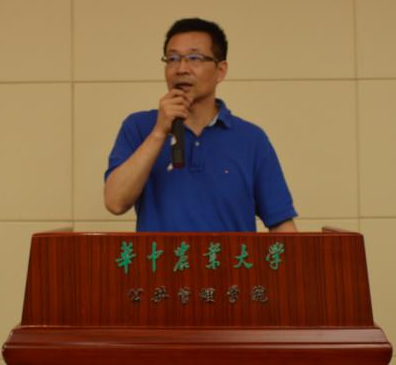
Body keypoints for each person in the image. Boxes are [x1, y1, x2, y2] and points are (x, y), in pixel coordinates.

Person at [104, 18, 298, 233]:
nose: (181, 69)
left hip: (231, 257)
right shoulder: (139, 127)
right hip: (160, 256)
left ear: (220, 70)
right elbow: (115, 202)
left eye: (194, 58)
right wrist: (159, 132)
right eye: (172, 59)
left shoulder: (251, 139)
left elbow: (281, 224)